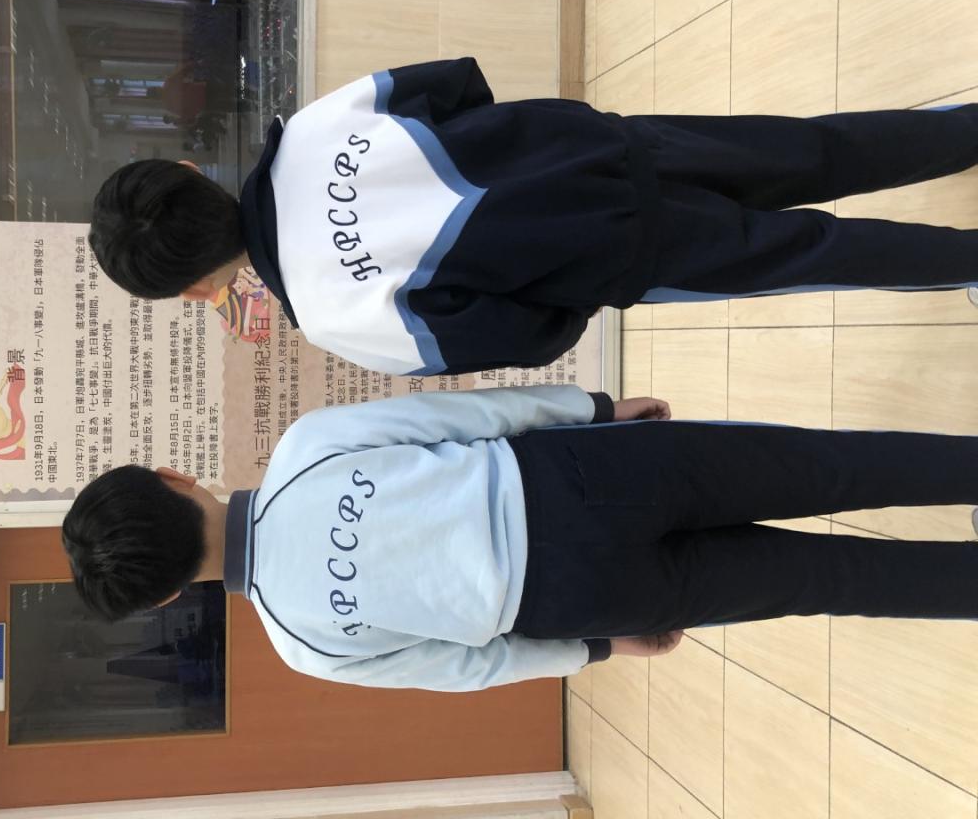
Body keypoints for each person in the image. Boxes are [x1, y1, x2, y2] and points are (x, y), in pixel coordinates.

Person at [89, 57, 978, 376]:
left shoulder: (332, 317)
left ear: (196, 289)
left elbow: (515, 339)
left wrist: (568, 278)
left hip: (618, 255)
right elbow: (456, 85)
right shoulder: (315, 127)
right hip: (613, 148)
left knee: (814, 253)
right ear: (189, 170)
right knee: (812, 150)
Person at [62, 385, 978, 692]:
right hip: (582, 478)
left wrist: (598, 645)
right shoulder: (305, 452)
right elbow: (464, 416)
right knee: (829, 468)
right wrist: (594, 409)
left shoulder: (306, 645)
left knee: (827, 579)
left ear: (167, 594)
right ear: (172, 478)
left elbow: (473, 669)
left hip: (578, 599)